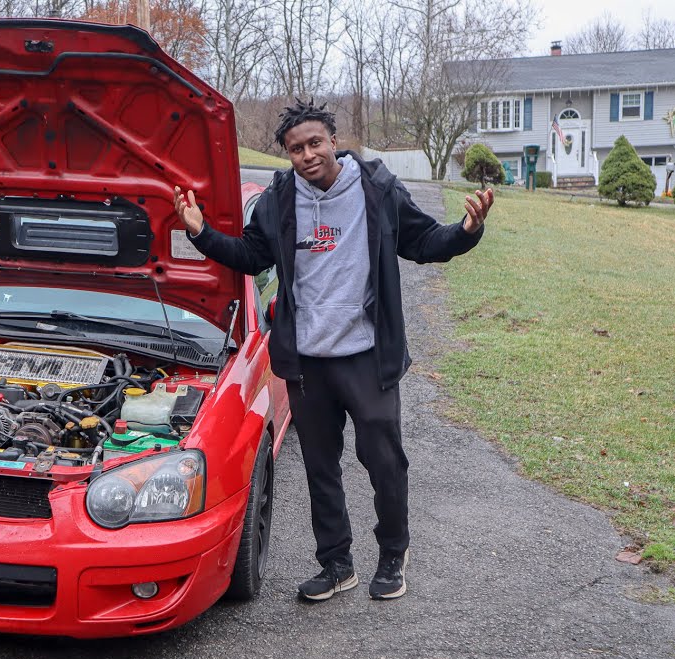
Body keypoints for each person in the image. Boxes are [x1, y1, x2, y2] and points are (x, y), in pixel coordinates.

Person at [173, 99, 494, 602]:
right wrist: (200, 231)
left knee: (384, 462)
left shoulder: (375, 188)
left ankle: (392, 554)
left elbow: (425, 242)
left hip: (366, 355)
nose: (307, 155)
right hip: (306, 364)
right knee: (321, 468)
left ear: (333, 142)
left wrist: (467, 231)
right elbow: (251, 256)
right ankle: (336, 563)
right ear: (289, 155)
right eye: (296, 149)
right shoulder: (281, 200)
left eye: (315, 143)